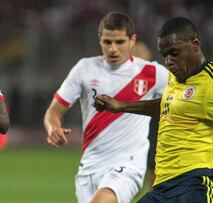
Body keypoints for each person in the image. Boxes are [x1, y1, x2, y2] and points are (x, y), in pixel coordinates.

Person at [95, 17, 213, 202]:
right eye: (164, 55)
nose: (168, 61)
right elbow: (168, 105)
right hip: (163, 188)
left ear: (195, 44)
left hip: (197, 185)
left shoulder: (212, 84)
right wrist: (121, 106)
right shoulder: (177, 76)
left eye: (174, 53)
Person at [43, 11, 168, 203]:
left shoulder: (152, 73)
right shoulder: (84, 69)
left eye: (119, 42)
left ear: (132, 40)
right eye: (107, 42)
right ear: (99, 39)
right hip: (90, 166)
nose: (113, 49)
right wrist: (53, 128)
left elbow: (186, 96)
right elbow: (53, 111)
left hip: (128, 164)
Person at [131, 40, 158, 187]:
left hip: (153, 130)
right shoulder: (124, 79)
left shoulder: (156, 76)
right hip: (135, 133)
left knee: (155, 170)